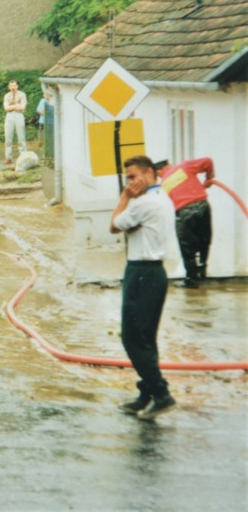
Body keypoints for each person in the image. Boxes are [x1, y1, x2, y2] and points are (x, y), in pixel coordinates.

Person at [110, 155, 177, 420]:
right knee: (145, 338)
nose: (131, 183)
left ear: (150, 173)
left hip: (142, 273)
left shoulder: (145, 203)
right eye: (127, 179)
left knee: (132, 338)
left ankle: (161, 394)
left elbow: (114, 225)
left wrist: (125, 197)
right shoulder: (160, 198)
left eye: (134, 177)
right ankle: (145, 394)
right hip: (152, 272)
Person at [157, 157, 215, 288]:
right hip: (203, 206)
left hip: (185, 212)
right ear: (169, 164)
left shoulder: (163, 183)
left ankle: (191, 279)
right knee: (204, 239)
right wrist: (208, 177)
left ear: (159, 171)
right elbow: (208, 161)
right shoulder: (184, 166)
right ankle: (202, 268)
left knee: (187, 247)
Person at [3, 79, 27, 165]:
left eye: (14, 85)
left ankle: (23, 156)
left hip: (19, 115)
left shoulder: (22, 95)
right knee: (8, 137)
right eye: (11, 86)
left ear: (17, 86)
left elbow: (22, 107)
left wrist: (12, 106)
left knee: (21, 137)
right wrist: (17, 105)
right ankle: (8, 157)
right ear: (9, 87)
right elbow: (6, 108)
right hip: (9, 116)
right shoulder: (6, 96)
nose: (12, 87)